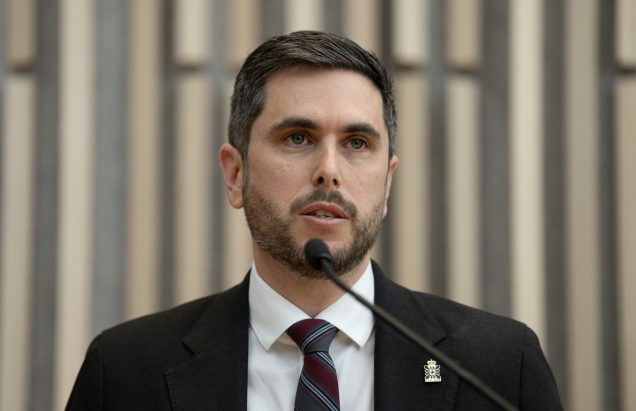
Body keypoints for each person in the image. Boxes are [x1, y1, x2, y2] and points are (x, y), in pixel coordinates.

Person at [66, 31, 562, 410]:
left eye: (357, 143)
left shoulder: (499, 366)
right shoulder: (126, 372)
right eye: (298, 138)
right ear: (236, 174)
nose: (329, 170)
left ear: (387, 185)